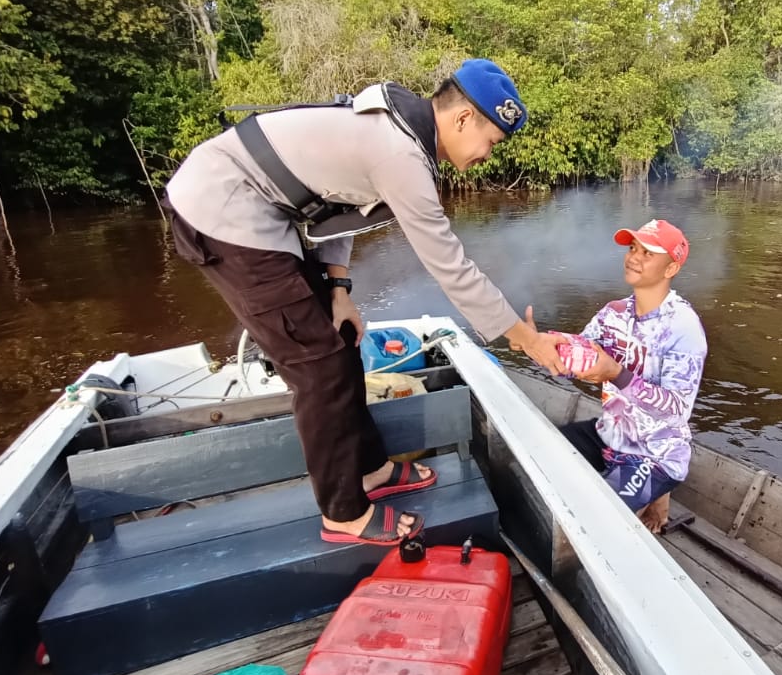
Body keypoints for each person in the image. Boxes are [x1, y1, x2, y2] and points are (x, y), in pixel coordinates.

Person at [164, 59, 564, 546]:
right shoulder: (402, 156)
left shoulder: (397, 127)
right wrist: (525, 338)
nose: (487, 155)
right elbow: (449, 265)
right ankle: (343, 513)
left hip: (267, 214)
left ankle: (371, 470)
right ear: (462, 119)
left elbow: (336, 208)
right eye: (491, 142)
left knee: (342, 340)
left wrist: (339, 291)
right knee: (318, 369)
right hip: (223, 211)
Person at [555, 219, 707, 533]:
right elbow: (579, 356)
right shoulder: (613, 313)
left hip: (655, 452)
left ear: (670, 269)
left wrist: (616, 374)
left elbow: (677, 409)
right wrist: (544, 345)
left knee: (596, 523)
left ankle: (659, 490)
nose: (633, 257)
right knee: (540, 453)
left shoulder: (684, 329)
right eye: (632, 248)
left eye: (648, 253)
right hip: (610, 434)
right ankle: (649, 497)